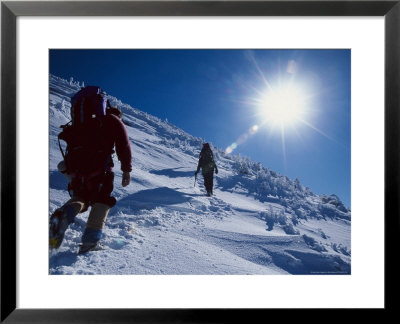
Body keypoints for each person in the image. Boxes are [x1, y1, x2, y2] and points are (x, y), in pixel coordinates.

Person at [49, 86, 132, 254]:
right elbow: (124, 145)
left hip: (76, 166)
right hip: (99, 167)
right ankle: (90, 241)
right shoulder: (113, 120)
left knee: (82, 197)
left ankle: (64, 214)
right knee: (102, 200)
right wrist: (126, 170)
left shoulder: (83, 122)